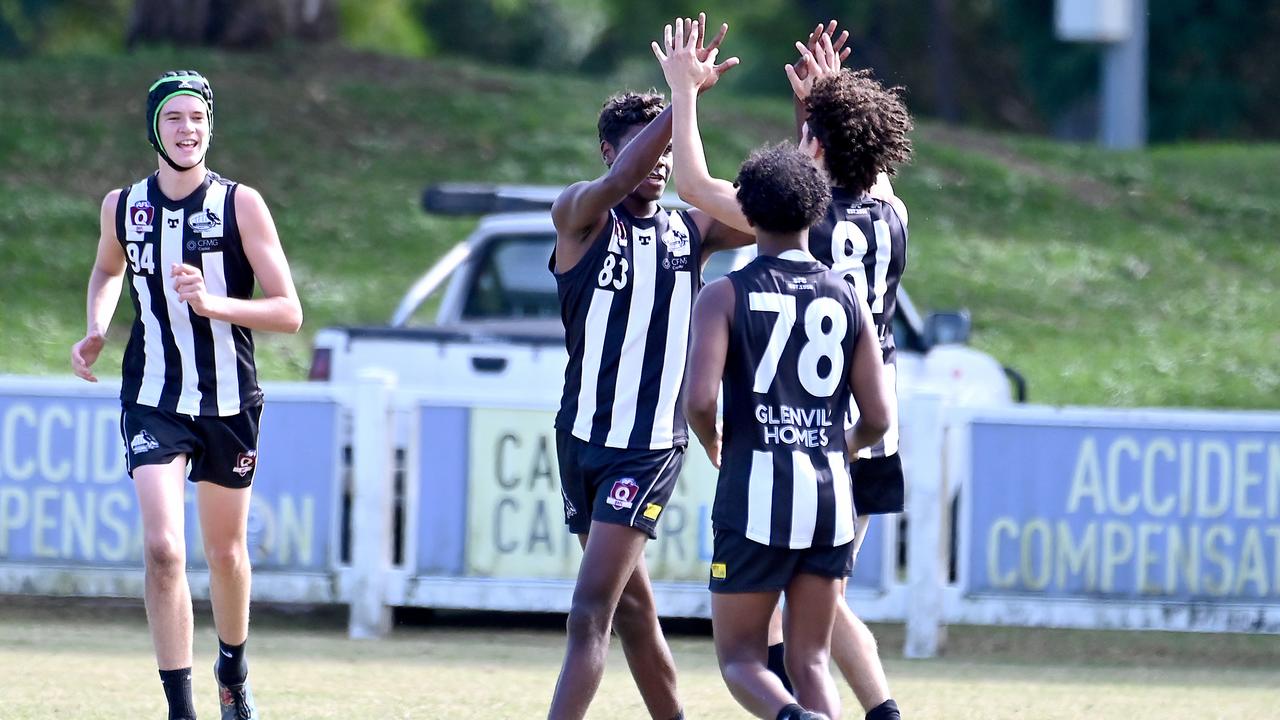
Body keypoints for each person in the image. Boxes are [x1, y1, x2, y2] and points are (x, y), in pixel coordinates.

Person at [658, 20, 914, 720]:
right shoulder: (893, 214)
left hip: (801, 422)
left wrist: (684, 94)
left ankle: (805, 712)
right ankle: (880, 711)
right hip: (873, 425)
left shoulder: (804, 220)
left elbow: (690, 182)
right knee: (821, 604)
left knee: (777, 623)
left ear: (818, 147)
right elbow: (857, 158)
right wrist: (831, 100)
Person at [70, 70, 302, 720]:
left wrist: (214, 302)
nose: (187, 130)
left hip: (229, 401)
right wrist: (95, 326)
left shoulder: (241, 205)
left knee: (225, 553)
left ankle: (234, 667)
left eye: (197, 118)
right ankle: (181, 707)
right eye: (174, 118)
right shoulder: (124, 206)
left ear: (210, 126)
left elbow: (289, 312)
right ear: (155, 128)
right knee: (165, 549)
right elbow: (107, 268)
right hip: (153, 397)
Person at [545, 15, 750, 720]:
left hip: (648, 448)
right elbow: (630, 171)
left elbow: (782, 211)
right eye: (639, 147)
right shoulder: (579, 214)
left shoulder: (690, 229)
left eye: (666, 149)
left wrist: (810, 118)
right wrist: (681, 98)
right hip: (580, 440)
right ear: (607, 152)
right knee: (633, 612)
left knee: (589, 609)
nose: (658, 163)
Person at [680, 135, 890, 717]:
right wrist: (837, 448)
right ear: (817, 208)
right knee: (811, 661)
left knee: (741, 661)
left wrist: (713, 440)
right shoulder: (847, 296)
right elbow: (877, 417)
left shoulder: (724, 293)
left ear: (745, 212)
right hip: (829, 498)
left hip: (755, 494)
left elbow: (698, 401)